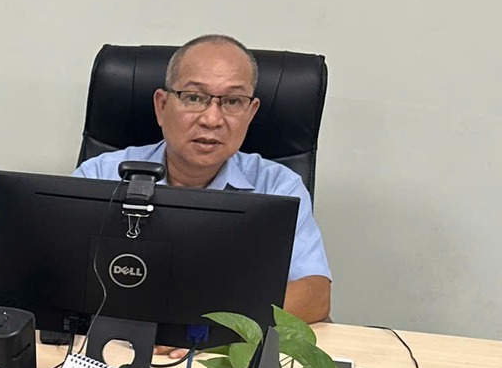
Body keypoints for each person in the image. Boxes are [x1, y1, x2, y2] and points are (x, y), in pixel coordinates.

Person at [73, 34, 331, 323]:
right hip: (117, 340)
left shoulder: (278, 187)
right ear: (161, 106)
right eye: (194, 97)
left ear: (251, 113)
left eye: (233, 101)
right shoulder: (101, 176)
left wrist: (202, 322)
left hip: (226, 345)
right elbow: (59, 272)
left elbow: (315, 296)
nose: (212, 119)